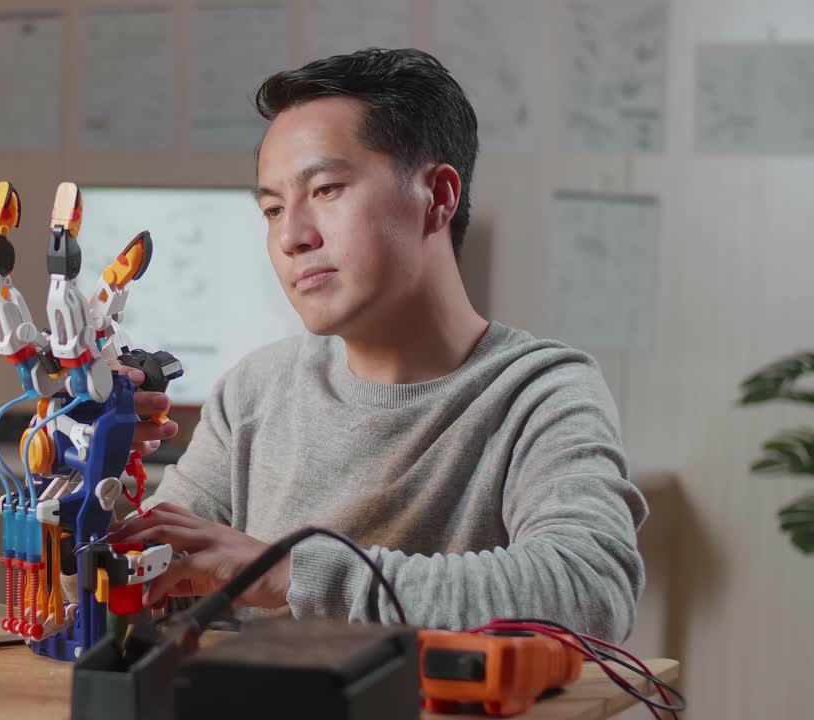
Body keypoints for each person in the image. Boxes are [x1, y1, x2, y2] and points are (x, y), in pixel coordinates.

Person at [112, 48, 647, 642]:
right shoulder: (255, 390)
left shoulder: (539, 393)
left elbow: (590, 591)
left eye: (328, 189)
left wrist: (286, 573)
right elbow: (140, 587)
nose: (291, 236)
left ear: (438, 197)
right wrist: (91, 475)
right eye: (271, 208)